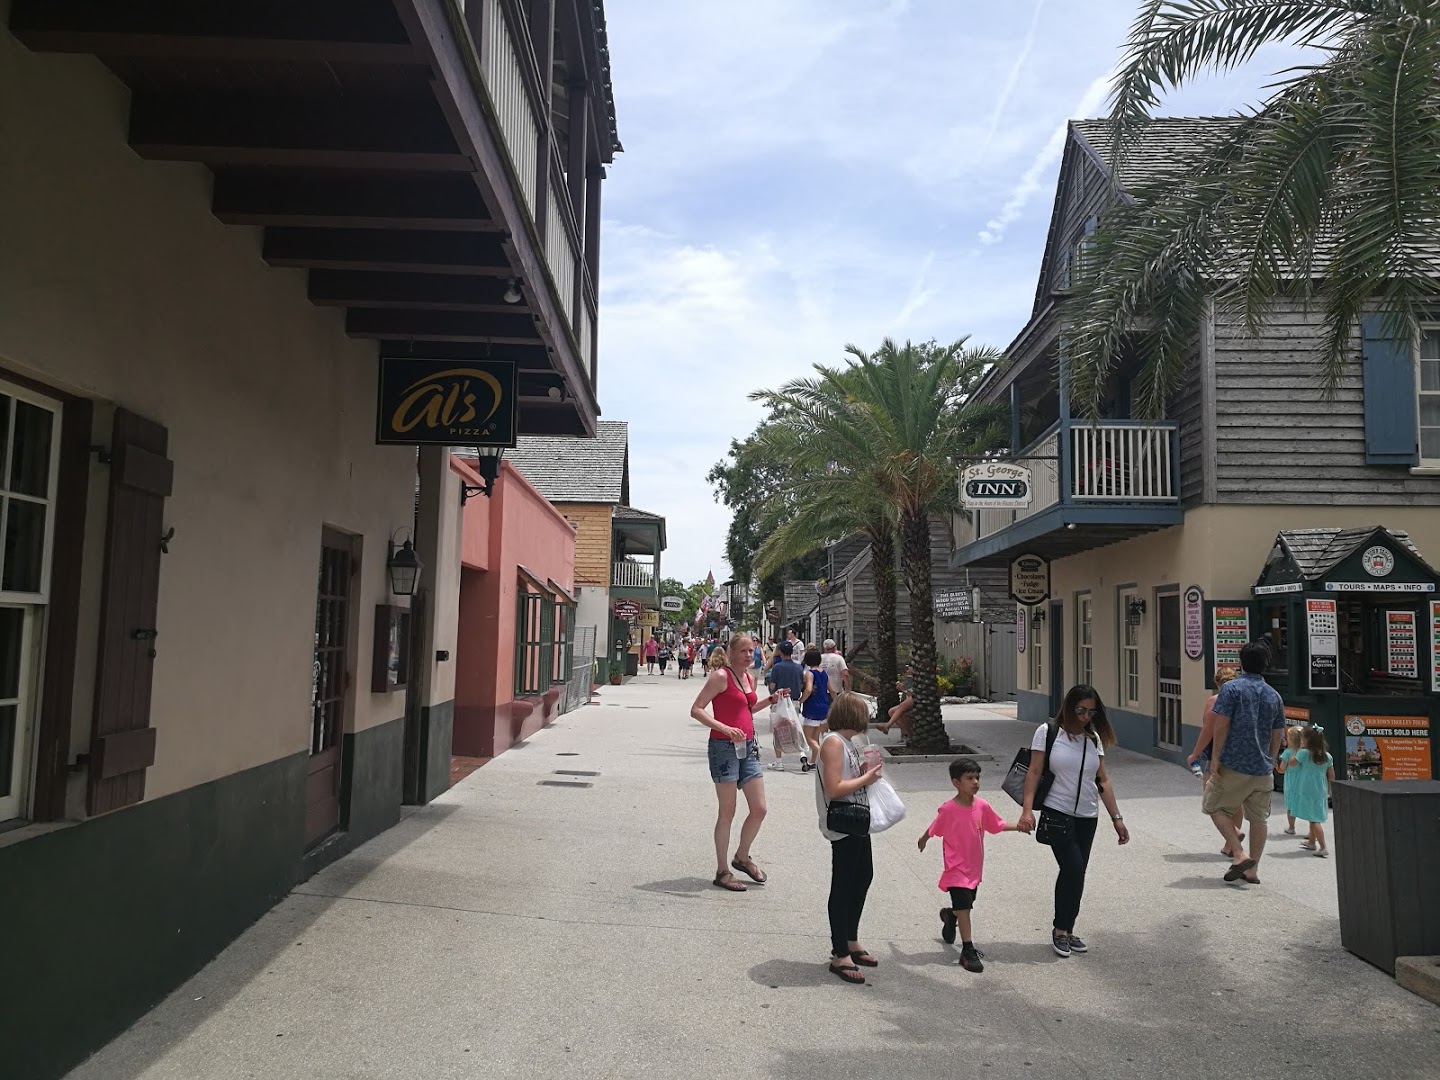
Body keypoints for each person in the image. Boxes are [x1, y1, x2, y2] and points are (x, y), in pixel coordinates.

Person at [1017, 684, 1130, 958]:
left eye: (1091, 712)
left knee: (1077, 874)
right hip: (1058, 812)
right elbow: (1034, 771)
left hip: (1087, 816)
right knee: (1073, 867)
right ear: (1069, 707)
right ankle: (1060, 930)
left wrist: (1117, 818)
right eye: (1080, 710)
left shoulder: (1093, 738)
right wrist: (1027, 810)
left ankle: (1068, 929)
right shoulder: (1048, 733)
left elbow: (1103, 780)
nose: (1085, 717)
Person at [690, 631, 788, 892]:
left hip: (748, 747)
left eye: (751, 650)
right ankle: (722, 871)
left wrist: (771, 699)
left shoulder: (749, 678)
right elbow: (696, 709)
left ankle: (742, 856)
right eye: (743, 650)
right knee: (728, 811)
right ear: (731, 653)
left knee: (760, 808)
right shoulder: (720, 677)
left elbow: (747, 709)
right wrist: (725, 728)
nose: (748, 655)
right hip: (723, 748)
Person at [918, 757, 1019, 972]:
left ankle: (949, 916)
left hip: (974, 869)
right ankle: (968, 950)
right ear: (956, 782)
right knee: (964, 906)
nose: (975, 782)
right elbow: (934, 827)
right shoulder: (948, 809)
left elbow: (997, 825)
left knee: (965, 904)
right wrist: (923, 839)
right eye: (970, 778)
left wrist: (1018, 826)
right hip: (955, 869)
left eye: (977, 777)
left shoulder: (982, 806)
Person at [1203, 641, 1285, 885]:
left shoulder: (1231, 689)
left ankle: (1239, 854)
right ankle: (1253, 870)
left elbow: (1221, 724)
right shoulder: (1274, 695)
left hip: (1234, 762)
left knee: (1213, 806)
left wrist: (1215, 757)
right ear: (1265, 664)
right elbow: (1278, 733)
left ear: (1241, 663)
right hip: (1262, 767)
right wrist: (1271, 758)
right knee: (1259, 819)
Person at [816, 692, 884, 984]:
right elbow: (833, 788)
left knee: (862, 876)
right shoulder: (833, 743)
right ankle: (840, 952)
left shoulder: (847, 743)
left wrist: (866, 772)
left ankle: (851, 939)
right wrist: (866, 778)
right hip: (844, 820)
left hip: (856, 819)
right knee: (844, 884)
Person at [1186, 665, 1246, 858]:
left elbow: (1208, 730)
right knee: (1236, 800)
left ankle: (1233, 835)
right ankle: (1230, 844)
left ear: (1217, 683)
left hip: (1216, 755)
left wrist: (1195, 753)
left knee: (1211, 799)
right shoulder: (1244, 701)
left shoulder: (1214, 701)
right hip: (1239, 754)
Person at [1287, 727, 1335, 857]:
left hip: (1306, 789)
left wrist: (1299, 749)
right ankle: (1311, 842)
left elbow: (1292, 763)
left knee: (1314, 820)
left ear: (1307, 740)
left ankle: (1323, 847)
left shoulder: (1303, 753)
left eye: (1302, 739)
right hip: (1320, 790)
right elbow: (1331, 775)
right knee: (1313, 815)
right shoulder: (1327, 756)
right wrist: (1331, 789)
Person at [767, 641, 807, 767]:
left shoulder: (777, 667)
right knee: (795, 729)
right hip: (794, 700)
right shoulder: (799, 667)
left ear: (780, 652)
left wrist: (772, 693)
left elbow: (772, 685)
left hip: (779, 701)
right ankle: (802, 754)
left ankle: (779, 761)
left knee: (778, 730)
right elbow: (802, 684)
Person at [800, 648, 832, 767]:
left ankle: (820, 753)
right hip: (824, 705)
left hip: (813, 707)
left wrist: (801, 700)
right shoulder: (824, 673)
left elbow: (808, 689)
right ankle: (814, 761)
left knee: (808, 737)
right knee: (816, 736)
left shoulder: (809, 673)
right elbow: (831, 689)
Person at [1275, 725, 1306, 835]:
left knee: (1291, 806)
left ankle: (1291, 827)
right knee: (1306, 805)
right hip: (1303, 781)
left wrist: (1276, 767)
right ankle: (1312, 830)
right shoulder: (1305, 753)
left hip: (1291, 782)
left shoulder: (1287, 753)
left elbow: (1282, 768)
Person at [877, 666, 913, 736]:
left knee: (901, 707)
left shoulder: (917, 680)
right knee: (891, 711)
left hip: (915, 699)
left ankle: (887, 726)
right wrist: (903, 689)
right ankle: (907, 733)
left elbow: (913, 695)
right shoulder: (908, 681)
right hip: (909, 700)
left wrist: (905, 690)